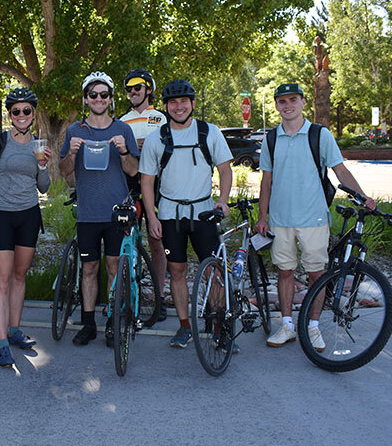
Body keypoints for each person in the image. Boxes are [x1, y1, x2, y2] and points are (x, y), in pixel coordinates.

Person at [256, 83, 376, 351]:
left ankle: (312, 327)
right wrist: (262, 217)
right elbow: (266, 182)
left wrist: (363, 196)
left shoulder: (319, 135)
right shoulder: (271, 139)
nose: (288, 105)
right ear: (276, 105)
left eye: (293, 100)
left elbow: (340, 171)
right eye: (282, 101)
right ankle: (286, 325)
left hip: (314, 219)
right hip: (280, 219)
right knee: (285, 272)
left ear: (302, 103)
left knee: (316, 274)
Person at [140, 80, 233, 349]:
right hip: (170, 215)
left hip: (203, 211)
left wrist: (223, 201)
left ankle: (218, 326)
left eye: (184, 101)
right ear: (166, 106)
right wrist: (152, 217)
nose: (178, 107)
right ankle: (184, 326)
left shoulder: (209, 132)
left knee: (213, 271)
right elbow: (147, 181)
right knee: (177, 271)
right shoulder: (158, 138)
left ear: (192, 104)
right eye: (173, 102)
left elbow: (225, 170)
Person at [59, 72, 139, 346]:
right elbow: (64, 173)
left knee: (114, 266)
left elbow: (133, 170)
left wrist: (125, 151)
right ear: (85, 99)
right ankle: (89, 322)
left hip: (117, 213)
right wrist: (70, 153)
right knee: (89, 267)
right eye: (93, 94)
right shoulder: (74, 130)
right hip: (88, 213)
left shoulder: (123, 129)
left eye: (104, 94)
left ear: (111, 99)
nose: (99, 99)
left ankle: (114, 322)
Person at [0, 88, 51, 367]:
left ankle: (15, 329)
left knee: (21, 275)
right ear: (9, 115)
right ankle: (2, 342)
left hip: (29, 215)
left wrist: (42, 165)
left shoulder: (38, 145)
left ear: (33, 114)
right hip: (1, 216)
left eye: (26, 111)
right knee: (4, 278)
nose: (21, 115)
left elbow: (44, 187)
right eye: (16, 111)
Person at [118, 68, 168, 322]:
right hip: (128, 186)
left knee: (156, 243)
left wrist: (149, 147)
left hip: (157, 186)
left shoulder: (161, 118)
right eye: (128, 89)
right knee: (126, 244)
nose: (133, 92)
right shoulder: (122, 120)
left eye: (137, 87)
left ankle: (159, 299)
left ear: (149, 89)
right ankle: (126, 297)